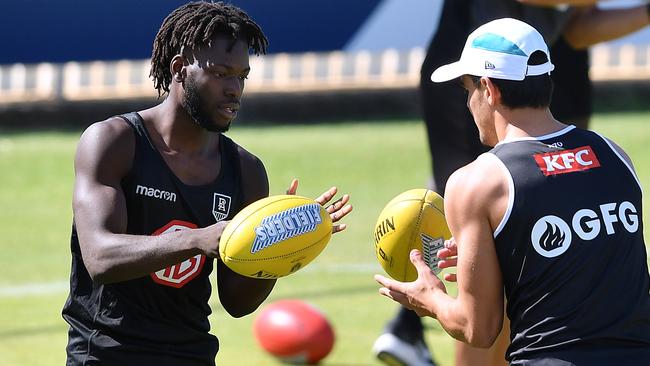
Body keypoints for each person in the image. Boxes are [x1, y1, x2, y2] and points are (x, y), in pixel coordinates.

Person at [60, 2, 353, 365]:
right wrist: (202, 239)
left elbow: (237, 302)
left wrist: (278, 250)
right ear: (180, 69)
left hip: (193, 355)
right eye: (220, 73)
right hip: (107, 354)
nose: (234, 89)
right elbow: (101, 258)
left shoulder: (246, 169)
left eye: (242, 76)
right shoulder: (114, 141)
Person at [373, 1, 650, 365]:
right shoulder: (615, 156)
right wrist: (505, 255)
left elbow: (478, 329)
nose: (468, 102)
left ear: (489, 89)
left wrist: (429, 298)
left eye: (466, 87)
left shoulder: (478, 182)